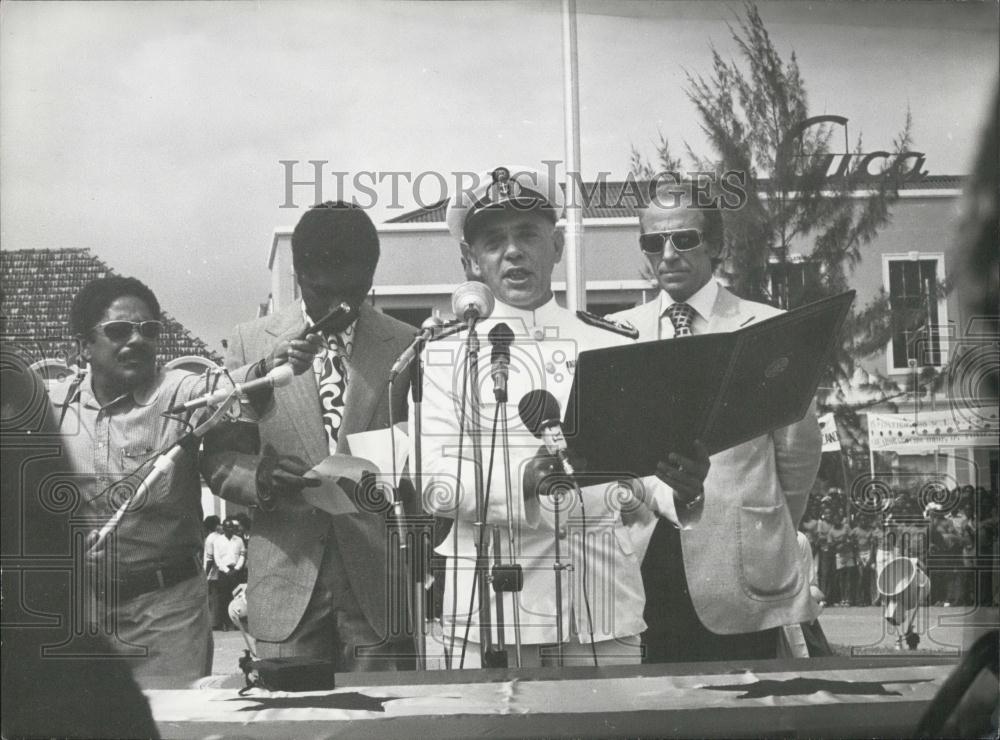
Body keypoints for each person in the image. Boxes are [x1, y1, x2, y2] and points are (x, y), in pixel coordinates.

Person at [415, 166, 709, 668]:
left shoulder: (611, 344)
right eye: (493, 241)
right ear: (470, 261)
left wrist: (680, 488)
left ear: (556, 245)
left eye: (527, 234)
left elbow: (637, 473)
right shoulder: (447, 354)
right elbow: (435, 481)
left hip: (599, 605)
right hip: (493, 606)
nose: (513, 251)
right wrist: (522, 480)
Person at [49, 275, 313, 683]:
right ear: (84, 345)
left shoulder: (179, 393)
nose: (136, 340)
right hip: (82, 613)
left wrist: (267, 365)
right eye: (119, 331)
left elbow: (228, 387)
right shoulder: (54, 407)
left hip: (166, 612)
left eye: (148, 330)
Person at [609, 182, 822, 661]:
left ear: (716, 245)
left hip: (740, 563)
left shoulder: (768, 330)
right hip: (645, 560)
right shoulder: (617, 335)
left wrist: (758, 520)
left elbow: (798, 455)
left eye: (684, 238)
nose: (667, 254)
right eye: (652, 242)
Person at [204, 201, 417, 671]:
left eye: (356, 292)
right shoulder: (251, 342)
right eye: (325, 292)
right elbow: (218, 460)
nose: (342, 307)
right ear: (299, 276)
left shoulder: (406, 344)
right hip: (285, 581)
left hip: (378, 586)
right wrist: (260, 477)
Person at [206, 518, 246, 630]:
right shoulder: (218, 541)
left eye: (232, 527)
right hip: (224, 573)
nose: (231, 529)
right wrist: (227, 571)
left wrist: (237, 568)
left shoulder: (239, 540)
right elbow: (217, 558)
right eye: (228, 527)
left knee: (237, 598)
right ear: (223, 528)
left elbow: (242, 555)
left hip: (236, 571)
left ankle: (237, 623)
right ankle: (225, 623)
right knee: (223, 598)